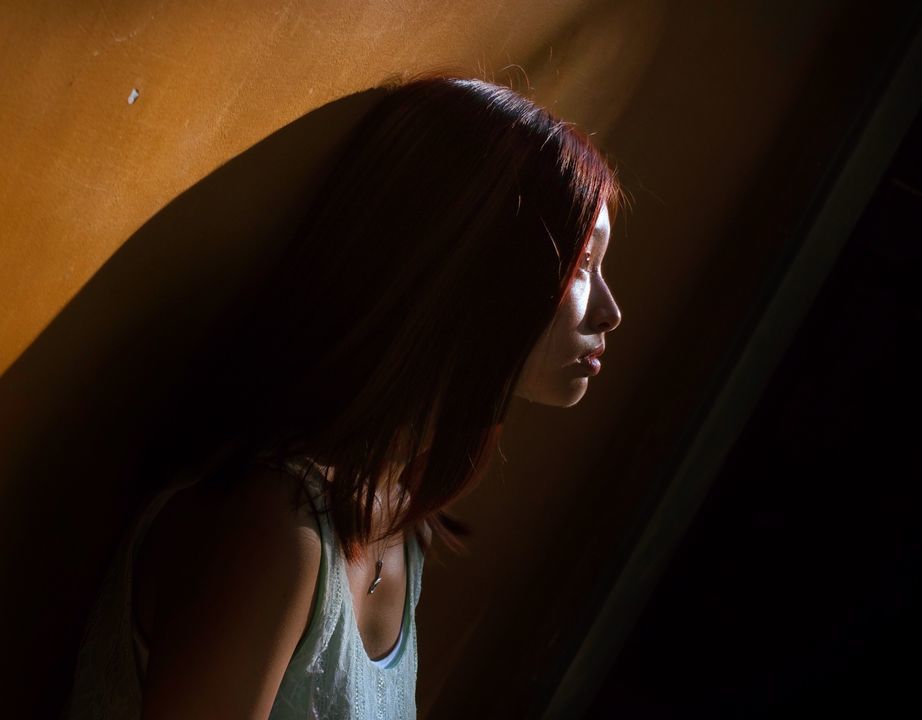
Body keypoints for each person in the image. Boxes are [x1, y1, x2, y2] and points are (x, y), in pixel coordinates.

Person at [62, 73, 623, 719]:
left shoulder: (400, 525)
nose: (611, 311)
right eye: (582, 264)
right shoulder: (272, 531)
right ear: (470, 266)